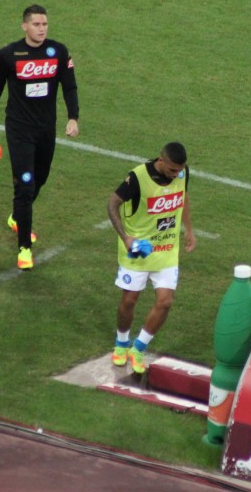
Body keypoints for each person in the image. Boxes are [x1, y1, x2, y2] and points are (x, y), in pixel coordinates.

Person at [0, 4, 80, 270]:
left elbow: (69, 86)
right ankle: (24, 248)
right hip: (19, 130)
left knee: (40, 178)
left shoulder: (58, 52)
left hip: (45, 129)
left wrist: (73, 117)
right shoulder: (8, 55)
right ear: (24, 26)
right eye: (36, 24)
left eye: (44, 24)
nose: (42, 29)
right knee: (24, 185)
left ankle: (17, 217)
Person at [107, 142, 196, 374]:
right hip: (137, 250)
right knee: (129, 301)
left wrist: (188, 229)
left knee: (165, 302)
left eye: (180, 170)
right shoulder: (138, 178)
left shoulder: (182, 173)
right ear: (161, 160)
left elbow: (183, 197)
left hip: (166, 249)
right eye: (172, 169)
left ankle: (138, 348)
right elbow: (112, 204)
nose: (176, 174)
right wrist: (125, 238)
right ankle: (121, 342)